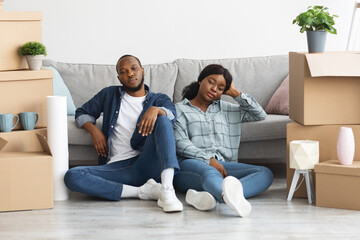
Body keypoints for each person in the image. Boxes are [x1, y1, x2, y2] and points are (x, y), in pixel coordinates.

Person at [64, 55, 183, 212]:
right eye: (124, 72)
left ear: (142, 71)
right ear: (119, 78)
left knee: (163, 119)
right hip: (118, 168)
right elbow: (82, 112)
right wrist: (94, 131)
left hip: (145, 163)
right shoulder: (109, 94)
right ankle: (145, 192)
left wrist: (157, 110)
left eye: (134, 69)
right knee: (72, 176)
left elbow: (172, 115)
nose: (130, 74)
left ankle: (167, 190)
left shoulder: (159, 99)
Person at [173, 64, 273, 217]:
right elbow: (180, 143)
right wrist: (208, 160)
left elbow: (260, 114)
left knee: (265, 173)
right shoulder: (179, 109)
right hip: (191, 165)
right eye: (211, 82)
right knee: (208, 172)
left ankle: (212, 197)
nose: (214, 89)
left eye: (220, 88)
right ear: (200, 81)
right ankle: (225, 195)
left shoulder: (227, 109)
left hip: (224, 166)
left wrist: (234, 92)